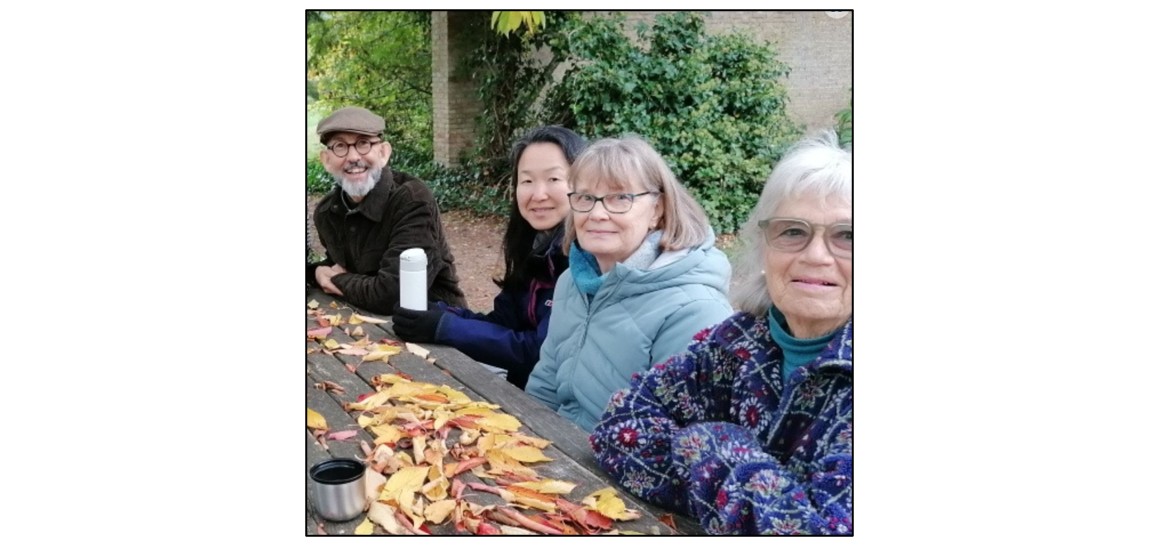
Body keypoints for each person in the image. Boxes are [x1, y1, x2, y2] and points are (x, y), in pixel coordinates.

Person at [588, 130, 853, 535]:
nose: (816, 255)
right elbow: (618, 426)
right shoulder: (739, 342)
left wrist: (710, 446)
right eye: (792, 231)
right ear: (763, 246)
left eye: (847, 236)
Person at [523, 135, 733, 432]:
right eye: (585, 198)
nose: (597, 213)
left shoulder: (696, 312)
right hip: (555, 452)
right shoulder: (572, 282)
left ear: (657, 210)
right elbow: (544, 386)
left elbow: (678, 441)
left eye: (619, 198)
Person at [390, 126, 587, 389]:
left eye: (553, 179)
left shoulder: (586, 260)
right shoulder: (534, 247)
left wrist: (446, 328)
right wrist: (442, 312)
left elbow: (540, 350)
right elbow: (504, 323)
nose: (538, 194)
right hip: (522, 395)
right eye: (527, 181)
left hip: (557, 415)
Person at [307, 106, 466, 314]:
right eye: (339, 146)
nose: (353, 156)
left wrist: (334, 279)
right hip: (367, 324)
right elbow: (337, 264)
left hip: (435, 327)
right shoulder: (327, 213)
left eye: (363, 143)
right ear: (326, 160)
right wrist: (316, 272)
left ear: (383, 153)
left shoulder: (412, 200)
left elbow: (393, 294)